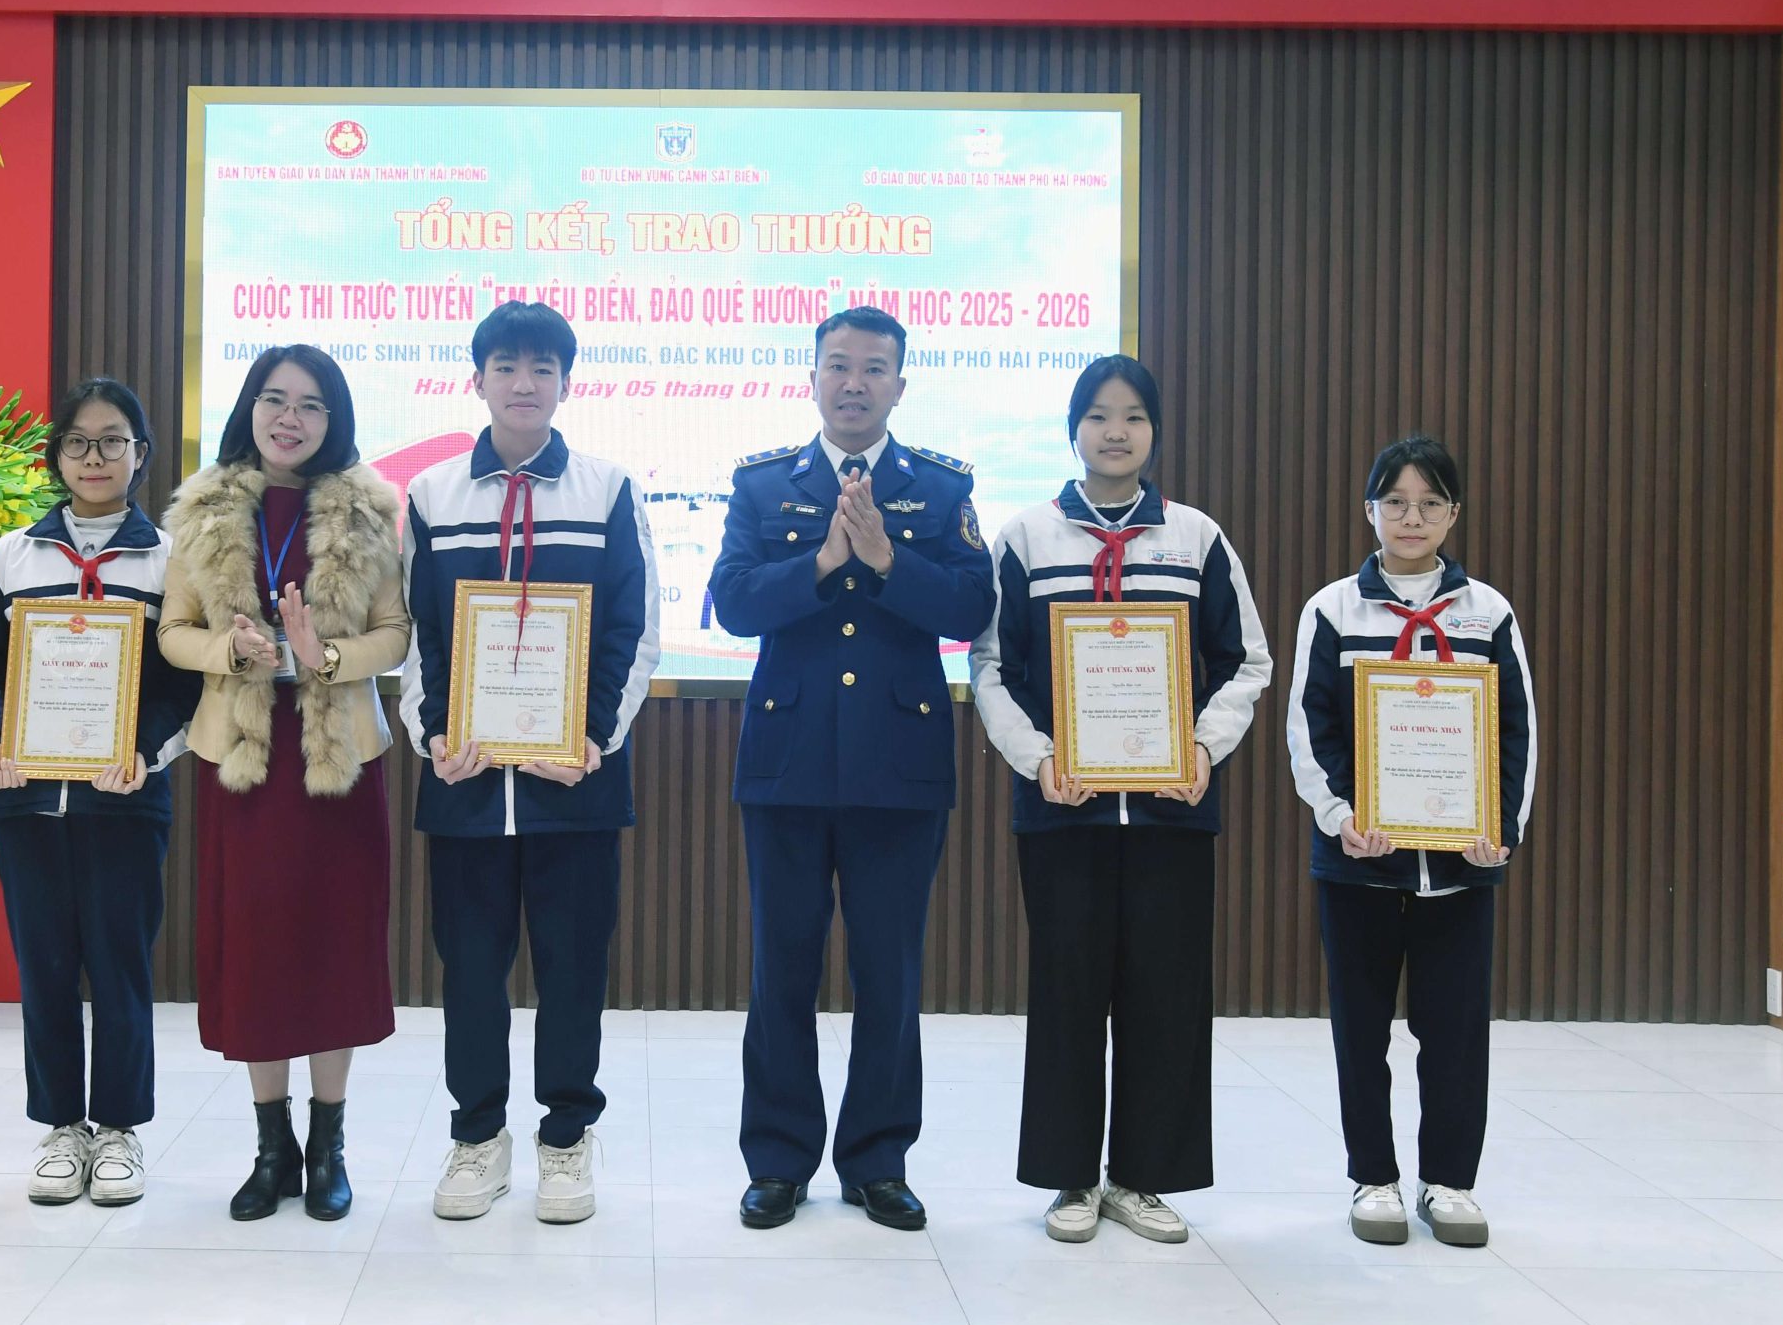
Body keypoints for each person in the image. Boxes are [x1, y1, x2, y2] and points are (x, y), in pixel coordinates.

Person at [970, 356, 1271, 1245]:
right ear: (1073, 429)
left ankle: (1144, 1177)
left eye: (1133, 416)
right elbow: (992, 665)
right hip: (1064, 807)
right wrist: (1037, 759)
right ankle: (1069, 1177)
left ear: (1155, 431)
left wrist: (1203, 748)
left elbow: (1247, 661)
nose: (1115, 431)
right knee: (1066, 990)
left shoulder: (1197, 537)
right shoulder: (1027, 538)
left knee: (1165, 993)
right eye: (1098, 415)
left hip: (1171, 811)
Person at [710, 305, 997, 1232]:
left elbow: (972, 606)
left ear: (900, 386)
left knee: (890, 975)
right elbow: (732, 603)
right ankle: (778, 1161)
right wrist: (825, 561)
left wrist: (883, 559)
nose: (855, 383)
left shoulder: (941, 488)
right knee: (781, 972)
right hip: (787, 764)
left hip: (898, 768)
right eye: (838, 365)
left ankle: (877, 1161)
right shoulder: (764, 484)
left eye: (875, 369)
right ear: (813, 378)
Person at [399, 302, 659, 1225]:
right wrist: (433, 734)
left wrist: (593, 737)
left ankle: (565, 1135)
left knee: (573, 969)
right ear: (476, 380)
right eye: (505, 366)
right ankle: (477, 1135)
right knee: (470, 971)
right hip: (465, 784)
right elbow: (420, 636)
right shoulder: (432, 496)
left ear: (565, 384)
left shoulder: (608, 489)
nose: (523, 383)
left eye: (542, 368)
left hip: (575, 782)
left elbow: (633, 627)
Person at [159, 344, 410, 1222]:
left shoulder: (369, 509)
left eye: (310, 404)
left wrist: (323, 655)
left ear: (333, 419)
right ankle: (273, 1150)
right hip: (243, 763)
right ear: (249, 409)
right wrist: (228, 650)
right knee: (255, 950)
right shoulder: (204, 507)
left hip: (339, 764)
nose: (289, 418)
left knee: (334, 947)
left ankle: (329, 1146)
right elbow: (172, 632)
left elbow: (397, 634)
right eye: (274, 399)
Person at [0, 378, 202, 1207]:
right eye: (79, 443)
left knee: (122, 965)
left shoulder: (172, 561)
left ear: (141, 453)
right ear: (56, 457)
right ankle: (62, 1126)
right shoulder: (9, 558)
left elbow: (187, 683)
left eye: (113, 441)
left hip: (124, 797)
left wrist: (145, 752)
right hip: (24, 800)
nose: (96, 457)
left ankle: (120, 1128)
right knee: (46, 966)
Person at [1284, 433, 1537, 1248]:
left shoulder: (1488, 613)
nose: (1412, 517)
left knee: (1455, 1032)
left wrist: (1500, 828)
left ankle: (1450, 1181)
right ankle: (1374, 1178)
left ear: (1454, 513)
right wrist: (1340, 816)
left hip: (1460, 868)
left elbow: (1517, 730)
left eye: (1430, 502)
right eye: (1395, 501)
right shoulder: (1332, 610)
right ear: (1370, 510)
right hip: (1359, 863)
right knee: (1360, 1031)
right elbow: (1310, 727)